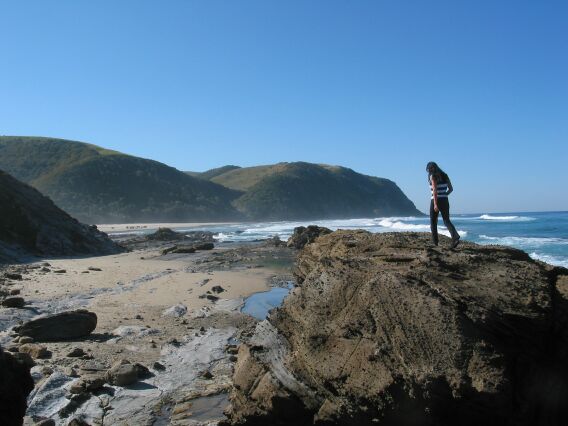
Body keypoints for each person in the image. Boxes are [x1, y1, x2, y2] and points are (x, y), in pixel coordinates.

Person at [426, 161, 460, 248]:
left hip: (435, 200)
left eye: (429, 169)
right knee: (446, 220)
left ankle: (435, 243)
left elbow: (434, 190)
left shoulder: (432, 176)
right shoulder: (445, 175)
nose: (429, 170)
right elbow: (451, 189)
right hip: (445, 200)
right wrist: (444, 195)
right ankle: (455, 237)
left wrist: (435, 204)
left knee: (433, 222)